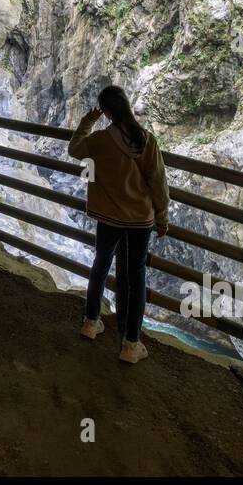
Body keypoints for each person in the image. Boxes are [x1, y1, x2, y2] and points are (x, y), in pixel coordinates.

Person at [68, 85, 169, 365]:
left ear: (107, 112)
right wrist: (162, 217)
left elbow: (74, 148)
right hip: (139, 220)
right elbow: (158, 183)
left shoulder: (100, 140)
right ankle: (131, 343)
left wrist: (89, 121)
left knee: (100, 264)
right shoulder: (146, 140)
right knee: (136, 278)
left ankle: (90, 322)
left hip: (108, 216)